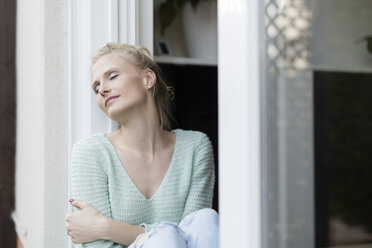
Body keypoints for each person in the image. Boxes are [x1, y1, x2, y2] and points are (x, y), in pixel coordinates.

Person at [65, 43, 219, 248]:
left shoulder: (195, 147)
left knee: (206, 220)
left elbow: (193, 238)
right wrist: (159, 237)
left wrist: (106, 228)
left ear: (148, 78)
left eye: (112, 76)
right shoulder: (91, 153)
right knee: (166, 239)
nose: (102, 89)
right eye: (96, 87)